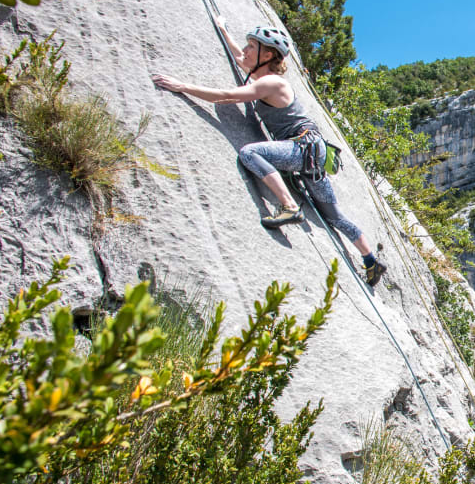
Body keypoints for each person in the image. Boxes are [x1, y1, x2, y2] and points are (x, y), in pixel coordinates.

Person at [152, 19, 387, 286]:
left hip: (301, 148)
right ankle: (371, 261)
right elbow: (242, 60)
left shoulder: (272, 83)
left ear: (267, 55)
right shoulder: (264, 78)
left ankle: (288, 206)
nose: (246, 49)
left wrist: (182, 86)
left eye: (252, 46)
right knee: (334, 216)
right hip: (312, 153)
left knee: (250, 153)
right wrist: (224, 30)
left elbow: (227, 95)